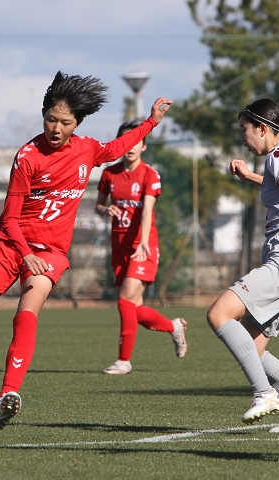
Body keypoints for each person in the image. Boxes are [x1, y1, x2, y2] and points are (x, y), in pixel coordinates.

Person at [0, 71, 172, 429]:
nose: (55, 128)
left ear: (77, 123)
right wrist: (25, 254)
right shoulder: (28, 157)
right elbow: (9, 218)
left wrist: (150, 122)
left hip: (50, 252)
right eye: (50, 119)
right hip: (10, 245)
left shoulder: (86, 149)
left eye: (64, 122)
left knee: (28, 310)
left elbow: (115, 149)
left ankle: (7, 395)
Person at [206, 99, 279, 433]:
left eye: (245, 129)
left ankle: (264, 393)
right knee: (254, 347)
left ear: (262, 128)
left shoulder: (278, 155)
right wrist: (250, 176)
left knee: (218, 314)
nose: (243, 137)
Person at [95, 118, 187, 375]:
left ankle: (124, 361)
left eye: (137, 141)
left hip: (143, 247)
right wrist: (105, 209)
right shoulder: (109, 174)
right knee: (134, 310)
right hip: (119, 247)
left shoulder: (149, 175)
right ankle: (173, 326)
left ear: (144, 146)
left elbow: (147, 212)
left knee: (124, 300)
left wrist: (145, 242)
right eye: (127, 141)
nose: (132, 146)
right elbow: (98, 205)